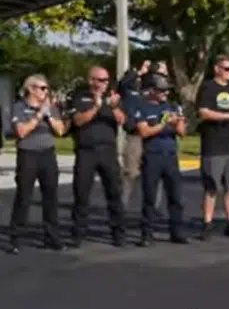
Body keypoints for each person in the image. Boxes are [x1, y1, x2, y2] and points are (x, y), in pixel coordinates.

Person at [66, 66, 127, 247]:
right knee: (82, 194)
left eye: (106, 80)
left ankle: (118, 233)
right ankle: (78, 233)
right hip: (86, 151)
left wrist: (114, 107)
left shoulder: (113, 98)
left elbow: (122, 120)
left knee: (114, 192)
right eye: (100, 80)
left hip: (107, 150)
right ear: (91, 80)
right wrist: (96, 106)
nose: (104, 84)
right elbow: (77, 120)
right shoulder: (80, 97)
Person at [7, 75, 66, 254]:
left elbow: (60, 131)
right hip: (28, 155)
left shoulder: (51, 108)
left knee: (50, 196)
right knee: (24, 196)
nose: (45, 91)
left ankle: (52, 236)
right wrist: (38, 114)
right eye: (42, 88)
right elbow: (21, 132)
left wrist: (48, 115)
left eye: (47, 88)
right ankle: (15, 237)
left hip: (47, 154)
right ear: (31, 89)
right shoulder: (19, 107)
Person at [133, 72, 189, 246]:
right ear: (151, 90)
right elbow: (144, 132)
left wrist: (178, 122)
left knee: (176, 196)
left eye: (166, 91)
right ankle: (147, 234)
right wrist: (164, 123)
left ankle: (177, 231)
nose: (165, 94)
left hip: (170, 156)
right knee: (150, 196)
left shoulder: (173, 106)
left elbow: (182, 133)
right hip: (152, 155)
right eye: (161, 91)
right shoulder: (142, 108)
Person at [196, 55, 229, 240]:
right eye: (226, 69)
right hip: (213, 143)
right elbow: (203, 112)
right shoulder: (208, 88)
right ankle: (207, 222)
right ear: (217, 69)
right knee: (211, 186)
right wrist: (228, 116)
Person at [118, 60, 167, 206]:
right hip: (135, 135)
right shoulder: (128, 92)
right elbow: (122, 83)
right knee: (130, 173)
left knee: (155, 173)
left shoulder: (149, 90)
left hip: (153, 135)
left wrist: (161, 72)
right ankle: (122, 205)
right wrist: (139, 71)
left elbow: (163, 89)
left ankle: (153, 208)